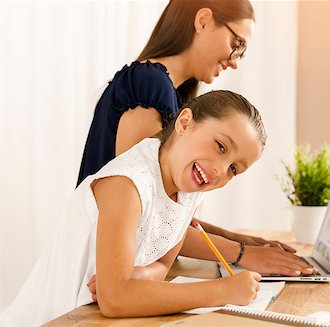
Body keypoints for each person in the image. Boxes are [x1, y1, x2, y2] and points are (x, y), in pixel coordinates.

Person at [77, 0, 314, 287]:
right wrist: (242, 254)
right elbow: (147, 218)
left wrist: (239, 241)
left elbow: (166, 217)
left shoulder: (169, 94)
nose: (235, 61)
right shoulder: (149, 85)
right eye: (236, 43)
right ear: (202, 21)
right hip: (95, 272)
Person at [1, 91, 268, 326]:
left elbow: (163, 263)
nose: (221, 170)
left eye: (234, 169)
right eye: (220, 146)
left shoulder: (188, 189)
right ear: (185, 123)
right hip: (54, 320)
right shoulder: (127, 184)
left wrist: (140, 277)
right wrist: (222, 291)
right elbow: (115, 299)